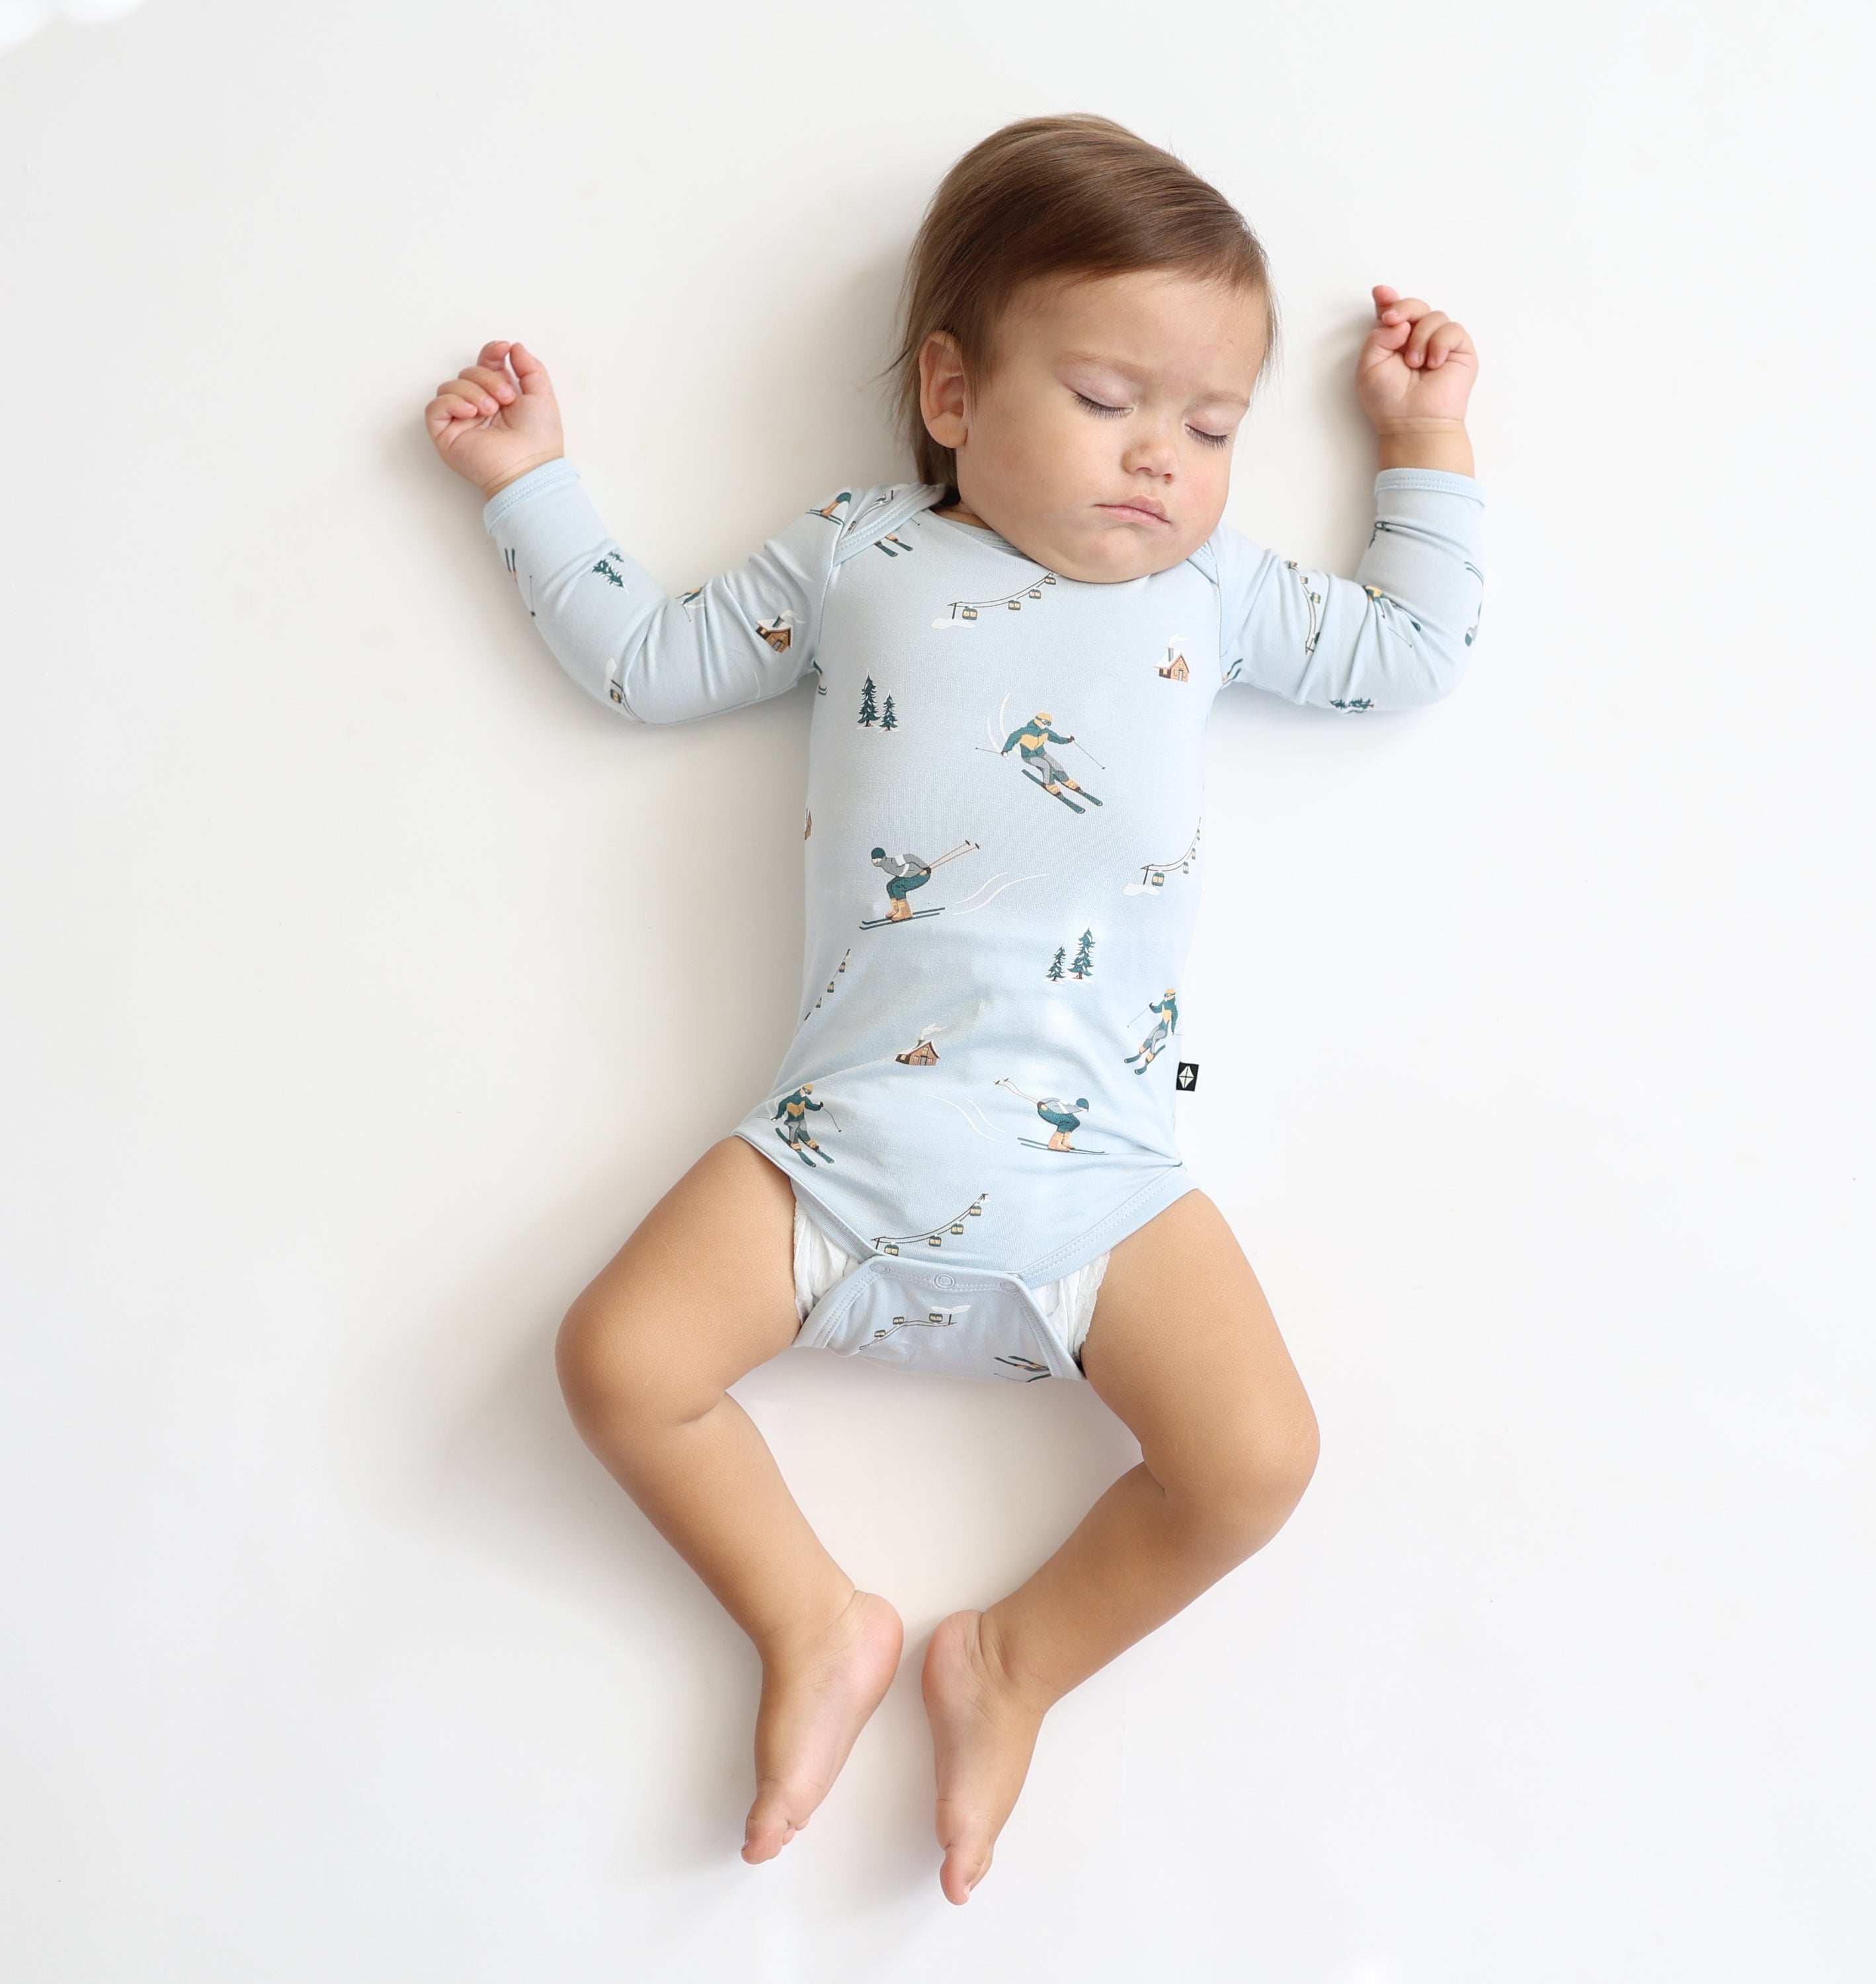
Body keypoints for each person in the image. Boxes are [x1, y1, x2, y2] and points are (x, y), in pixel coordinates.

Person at [424, 111, 1483, 1906]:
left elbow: (1407, 655)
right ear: (949, 390)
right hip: (842, 1146)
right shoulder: (858, 558)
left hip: (1101, 1176)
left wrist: (1426, 441)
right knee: (617, 1364)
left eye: (1213, 426)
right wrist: (531, 480)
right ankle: (811, 1619)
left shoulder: (1207, 595)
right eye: (1108, 400)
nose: (1163, 459)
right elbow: (652, 660)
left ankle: (1014, 1663)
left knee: (1255, 1462)